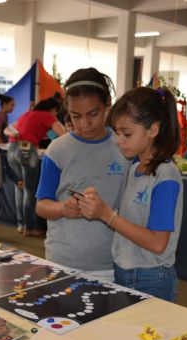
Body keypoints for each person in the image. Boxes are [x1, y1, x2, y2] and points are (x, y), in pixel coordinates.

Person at [77, 87, 182, 302]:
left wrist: (106, 214)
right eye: (117, 133)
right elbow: (130, 222)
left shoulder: (166, 175)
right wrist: (97, 207)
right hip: (123, 271)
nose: (119, 140)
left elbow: (157, 243)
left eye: (127, 134)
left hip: (151, 277)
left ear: (153, 130)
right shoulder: (134, 169)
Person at [36, 67, 127, 282]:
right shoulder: (58, 149)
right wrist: (62, 208)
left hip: (109, 263)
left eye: (93, 114)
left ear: (108, 104)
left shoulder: (123, 147)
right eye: (75, 116)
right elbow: (41, 206)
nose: (84, 124)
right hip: (62, 260)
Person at [7, 97, 66, 236]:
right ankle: (29, 227)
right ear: (54, 109)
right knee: (29, 190)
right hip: (27, 149)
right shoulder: (47, 115)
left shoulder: (28, 114)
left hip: (11, 148)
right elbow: (63, 134)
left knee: (19, 187)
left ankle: (21, 224)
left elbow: (9, 129)